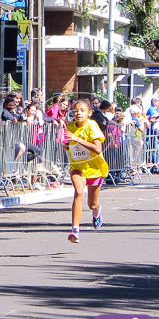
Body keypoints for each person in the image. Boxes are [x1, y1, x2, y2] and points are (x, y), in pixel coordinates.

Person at [64, 99, 108, 244]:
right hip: (78, 167)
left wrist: (77, 139)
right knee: (78, 192)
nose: (78, 113)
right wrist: (68, 146)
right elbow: (70, 145)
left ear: (89, 113)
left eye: (82, 110)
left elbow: (98, 149)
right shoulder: (70, 126)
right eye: (76, 110)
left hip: (94, 169)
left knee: (92, 204)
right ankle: (75, 229)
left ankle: (97, 210)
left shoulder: (92, 126)